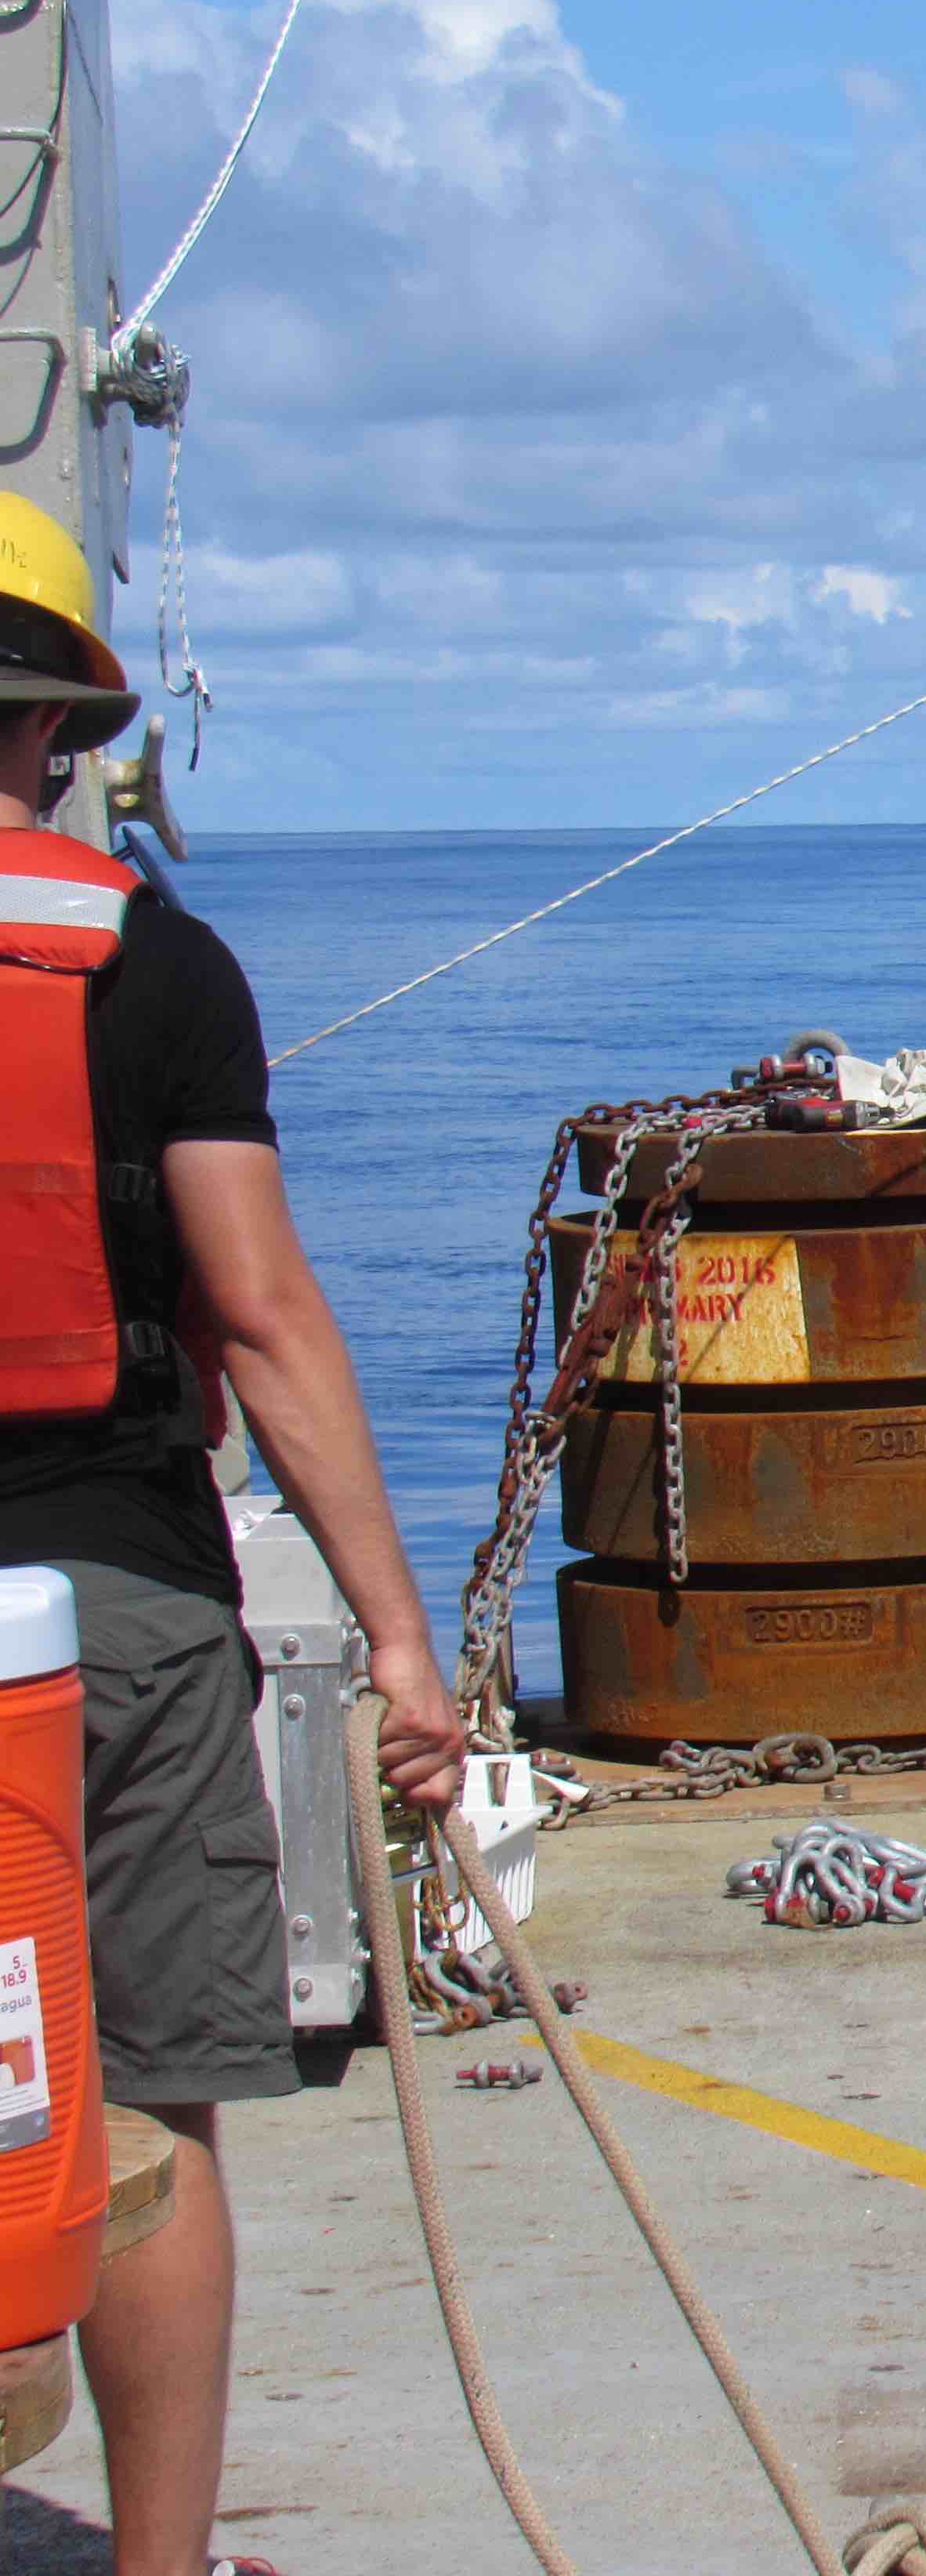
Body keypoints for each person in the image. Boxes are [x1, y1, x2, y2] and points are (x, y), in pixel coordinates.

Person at [0, 491, 465, 2576]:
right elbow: (260, 1317)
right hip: (109, 1610)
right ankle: (158, 2569)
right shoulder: (155, 967)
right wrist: (395, 1640)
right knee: (135, 2117)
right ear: (65, 727)